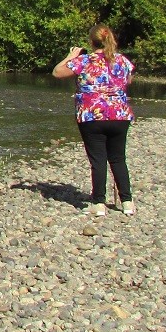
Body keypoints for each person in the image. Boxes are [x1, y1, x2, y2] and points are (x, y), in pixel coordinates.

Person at [52, 23, 134, 217]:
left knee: (98, 160)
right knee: (118, 158)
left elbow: (57, 72)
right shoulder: (121, 61)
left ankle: (99, 203)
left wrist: (72, 56)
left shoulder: (85, 61)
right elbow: (128, 80)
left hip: (91, 115)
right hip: (119, 115)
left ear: (91, 41)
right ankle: (127, 202)